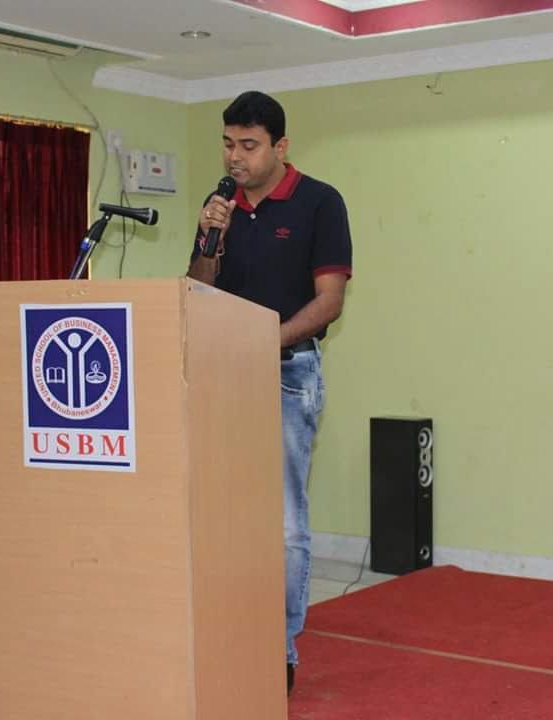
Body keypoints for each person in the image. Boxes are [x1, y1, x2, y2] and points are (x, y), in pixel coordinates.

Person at [187, 90, 352, 696]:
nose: (235, 157)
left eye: (249, 146)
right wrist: (209, 239)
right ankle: (230, 635)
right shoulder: (220, 205)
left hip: (287, 373)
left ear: (280, 146)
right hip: (222, 378)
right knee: (222, 515)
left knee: (282, 521)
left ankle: (277, 648)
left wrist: (263, 341)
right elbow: (198, 291)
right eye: (228, 144)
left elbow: (329, 301)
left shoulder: (319, 202)